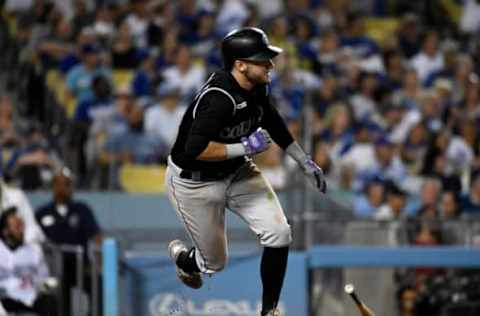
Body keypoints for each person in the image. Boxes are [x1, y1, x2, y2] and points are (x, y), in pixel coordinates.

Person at [165, 27, 326, 316]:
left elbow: (273, 120)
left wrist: (303, 160)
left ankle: (269, 311)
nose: (270, 65)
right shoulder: (218, 97)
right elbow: (194, 150)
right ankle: (185, 260)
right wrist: (244, 146)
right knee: (214, 264)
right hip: (195, 183)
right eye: (262, 59)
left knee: (279, 233)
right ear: (240, 65)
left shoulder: (258, 87)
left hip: (237, 172)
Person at [35, 167, 102, 316]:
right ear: (53, 186)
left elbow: (97, 236)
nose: (62, 188)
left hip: (81, 264)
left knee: (98, 284)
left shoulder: (82, 209)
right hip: (53, 267)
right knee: (55, 295)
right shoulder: (42, 213)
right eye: (59, 184)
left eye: (67, 184)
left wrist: (101, 261)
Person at [0, 207, 58, 316]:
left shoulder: (34, 251)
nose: (21, 230)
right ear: (5, 231)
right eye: (17, 227)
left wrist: (43, 286)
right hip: (4, 298)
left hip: (28, 298)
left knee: (49, 302)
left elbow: (44, 280)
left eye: (21, 226)